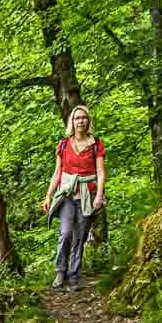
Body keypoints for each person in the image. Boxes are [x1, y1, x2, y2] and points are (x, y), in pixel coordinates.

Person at [42, 105, 106, 292]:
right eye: (77, 118)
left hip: (88, 195)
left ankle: (74, 275)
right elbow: (57, 173)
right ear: (72, 122)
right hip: (67, 195)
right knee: (66, 233)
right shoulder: (63, 145)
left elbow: (101, 172)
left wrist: (99, 195)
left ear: (88, 121)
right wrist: (48, 195)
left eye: (84, 118)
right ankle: (60, 271)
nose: (81, 121)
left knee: (80, 237)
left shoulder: (96, 145)